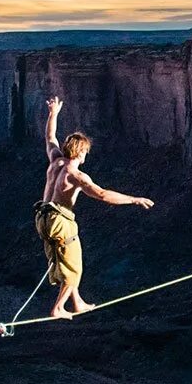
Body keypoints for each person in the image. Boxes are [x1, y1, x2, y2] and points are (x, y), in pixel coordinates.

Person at [35, 96, 153, 319]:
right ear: (80, 152)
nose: (86, 155)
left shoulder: (55, 161)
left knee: (64, 262)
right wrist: (134, 199)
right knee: (75, 268)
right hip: (61, 222)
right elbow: (102, 194)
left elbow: (50, 137)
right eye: (85, 152)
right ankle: (58, 308)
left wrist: (54, 114)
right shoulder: (76, 175)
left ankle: (77, 302)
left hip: (42, 218)